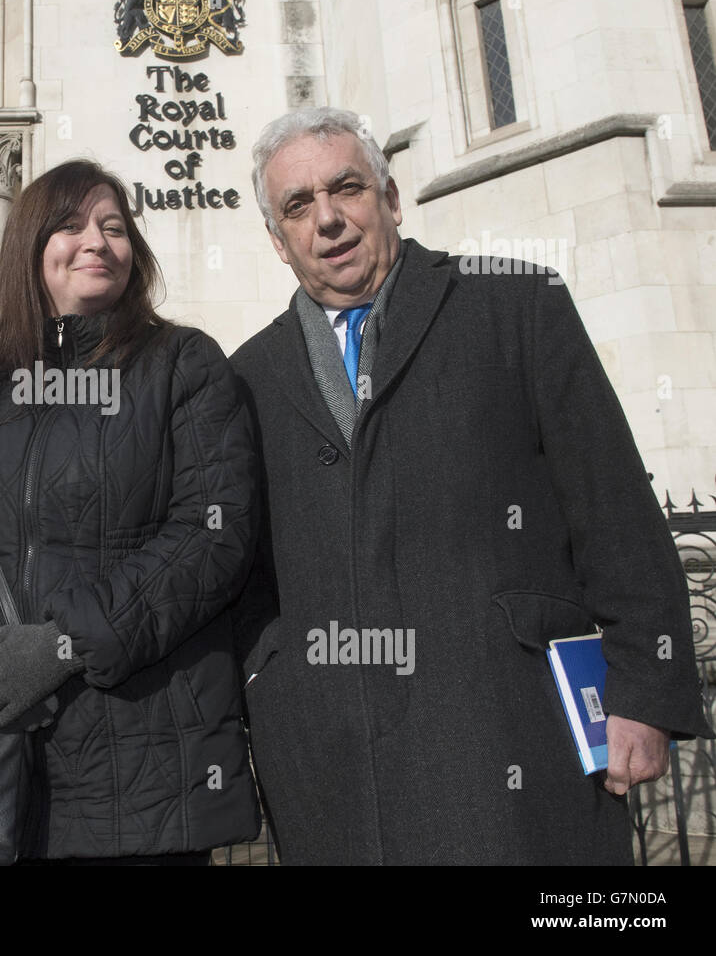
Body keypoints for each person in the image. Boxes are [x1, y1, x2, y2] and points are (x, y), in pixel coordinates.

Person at [229, 106, 713, 865]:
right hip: (334, 761)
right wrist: (273, 678)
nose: (327, 219)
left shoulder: (516, 305)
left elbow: (613, 507)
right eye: (298, 206)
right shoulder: (248, 376)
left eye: (346, 188)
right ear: (278, 240)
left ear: (389, 199)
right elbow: (244, 571)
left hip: (511, 728)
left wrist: (644, 695)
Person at [0, 159, 260, 863]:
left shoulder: (183, 365)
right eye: (71, 224)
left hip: (142, 774)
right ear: (31, 246)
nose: (97, 240)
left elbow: (212, 535)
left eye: (114, 227)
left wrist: (61, 645)